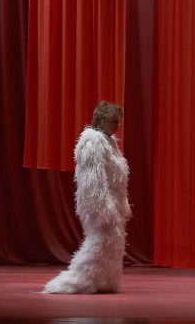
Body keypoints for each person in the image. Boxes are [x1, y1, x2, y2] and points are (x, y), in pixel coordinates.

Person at [43, 101, 131, 294]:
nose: (117, 125)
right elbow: (93, 179)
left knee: (112, 242)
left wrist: (120, 203)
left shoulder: (110, 142)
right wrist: (103, 206)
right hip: (99, 204)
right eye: (113, 121)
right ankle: (82, 278)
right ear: (102, 119)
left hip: (112, 203)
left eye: (118, 121)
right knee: (101, 241)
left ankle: (105, 279)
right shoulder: (93, 141)